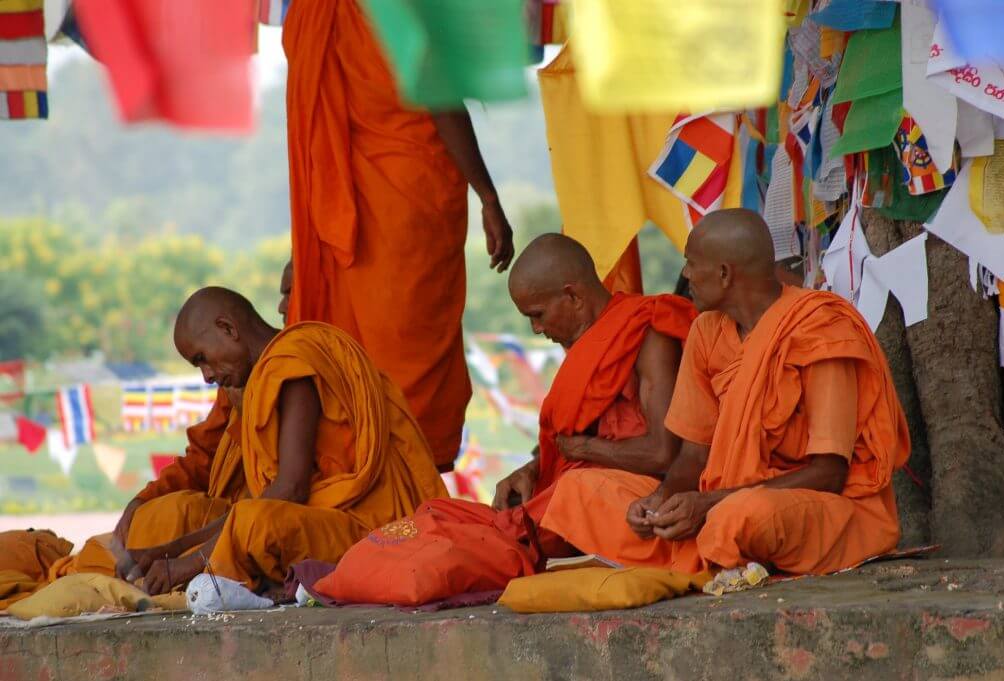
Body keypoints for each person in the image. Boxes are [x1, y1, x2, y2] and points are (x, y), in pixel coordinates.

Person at [309, 234, 698, 606]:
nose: (537, 329)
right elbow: (589, 439)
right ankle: (382, 569)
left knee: (564, 495)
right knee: (439, 512)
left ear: (574, 296)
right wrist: (535, 467)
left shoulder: (647, 335)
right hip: (580, 498)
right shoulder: (592, 346)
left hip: (638, 503)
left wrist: (579, 449)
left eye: (539, 315)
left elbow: (663, 452)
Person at [542, 209, 910, 576]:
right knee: (577, 490)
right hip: (716, 503)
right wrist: (661, 500)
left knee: (743, 518)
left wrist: (707, 505)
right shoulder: (706, 332)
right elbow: (692, 455)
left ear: (724, 273)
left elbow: (828, 474)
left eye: (690, 263)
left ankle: (694, 554)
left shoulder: (820, 329)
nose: (685, 275)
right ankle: (703, 553)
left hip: (808, 507)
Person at [79, 287, 447, 596]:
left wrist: (188, 563)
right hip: (322, 521)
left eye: (202, 359)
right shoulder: (258, 380)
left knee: (255, 524)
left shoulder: (293, 362)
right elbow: (256, 501)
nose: (207, 376)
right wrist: (170, 550)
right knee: (211, 515)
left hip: (370, 531)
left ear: (227, 328)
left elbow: (290, 489)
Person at [284, 0, 514, 473]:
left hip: (354, 208)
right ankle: (399, 492)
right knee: (402, 363)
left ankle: (377, 492)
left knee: (368, 363)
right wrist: (487, 194)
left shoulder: (310, 10)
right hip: (398, 208)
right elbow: (441, 98)